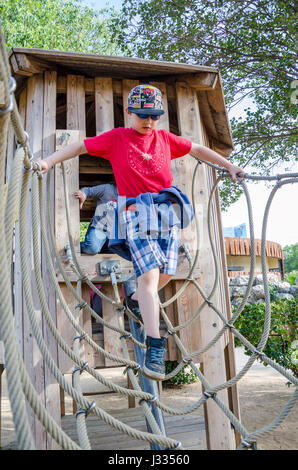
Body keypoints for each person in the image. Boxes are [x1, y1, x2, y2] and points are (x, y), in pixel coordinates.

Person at [38, 84, 244, 381]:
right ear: (129, 112)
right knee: (148, 280)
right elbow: (80, 146)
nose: (149, 121)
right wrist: (48, 161)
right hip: (135, 214)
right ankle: (155, 345)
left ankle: (134, 300)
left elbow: (197, 149)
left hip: (165, 212)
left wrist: (230, 166)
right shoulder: (118, 138)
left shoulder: (163, 138)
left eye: (155, 115)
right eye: (143, 115)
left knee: (167, 273)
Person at [75, 183, 118, 254]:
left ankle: (100, 249)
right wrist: (83, 194)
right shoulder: (107, 188)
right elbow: (88, 191)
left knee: (120, 251)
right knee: (92, 248)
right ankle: (74, 247)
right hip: (99, 229)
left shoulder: (130, 195)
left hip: (115, 235)